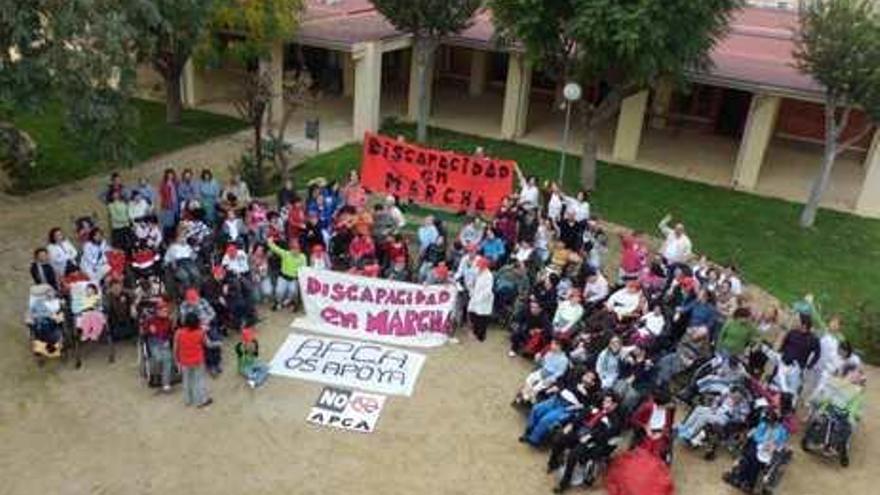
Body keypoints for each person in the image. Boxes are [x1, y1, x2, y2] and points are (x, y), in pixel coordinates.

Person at [547, 391, 623, 493]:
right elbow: (581, 416)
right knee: (559, 438)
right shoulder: (595, 408)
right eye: (605, 400)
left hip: (592, 441)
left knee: (573, 455)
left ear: (614, 405)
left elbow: (606, 435)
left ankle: (564, 483)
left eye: (608, 401)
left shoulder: (615, 420)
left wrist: (590, 436)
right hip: (580, 431)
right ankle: (553, 463)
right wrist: (571, 425)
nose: (604, 402)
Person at [521, 370, 601, 446]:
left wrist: (584, 395)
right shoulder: (575, 380)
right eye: (586, 375)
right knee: (536, 409)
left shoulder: (590, 395)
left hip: (567, 407)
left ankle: (533, 438)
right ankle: (529, 430)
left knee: (546, 419)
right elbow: (561, 382)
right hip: (556, 399)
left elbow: (585, 407)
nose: (586, 378)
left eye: (590, 378)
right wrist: (558, 388)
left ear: (593, 383)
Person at [723, 411, 790, 492]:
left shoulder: (782, 430)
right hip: (759, 445)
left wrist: (774, 446)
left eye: (771, 422)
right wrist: (765, 441)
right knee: (750, 456)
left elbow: (782, 443)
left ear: (776, 421)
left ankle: (749, 483)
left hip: (770, 451)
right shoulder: (763, 424)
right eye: (768, 422)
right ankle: (739, 478)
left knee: (757, 462)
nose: (769, 424)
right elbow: (756, 436)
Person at [174, 313, 217, 408]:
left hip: (184, 361)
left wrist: (176, 360)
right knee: (199, 380)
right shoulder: (200, 332)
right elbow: (208, 344)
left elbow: (175, 348)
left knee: (186, 380)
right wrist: (218, 343)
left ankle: (187, 400)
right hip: (198, 361)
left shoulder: (179, 333)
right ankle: (201, 400)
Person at [516, 339, 570, 405]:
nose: (551, 345)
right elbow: (543, 364)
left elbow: (559, 373)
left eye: (553, 344)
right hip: (542, 372)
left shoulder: (564, 360)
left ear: (559, 346)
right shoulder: (550, 353)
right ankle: (526, 396)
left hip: (550, 377)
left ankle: (526, 397)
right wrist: (539, 359)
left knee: (537, 387)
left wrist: (550, 379)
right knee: (529, 379)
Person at [267, 238, 307, 311]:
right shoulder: (285, 254)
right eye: (293, 248)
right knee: (279, 291)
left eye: (297, 248)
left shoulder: (303, 257)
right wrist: (270, 242)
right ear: (290, 249)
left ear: (300, 249)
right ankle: (278, 303)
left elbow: (304, 269)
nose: (295, 250)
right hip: (283, 277)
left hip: (294, 279)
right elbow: (275, 248)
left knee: (293, 291)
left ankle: (289, 302)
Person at [143, 299, 174, 392]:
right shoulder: (150, 320)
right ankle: (158, 375)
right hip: (154, 342)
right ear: (157, 311)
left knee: (167, 359)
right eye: (163, 310)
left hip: (165, 342)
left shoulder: (169, 320)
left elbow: (171, 333)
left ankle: (166, 383)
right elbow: (143, 332)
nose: (165, 311)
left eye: (166, 310)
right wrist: (149, 330)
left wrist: (168, 337)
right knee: (158, 358)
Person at [467, 256, 494, 342]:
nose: (478, 267)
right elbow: (472, 282)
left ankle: (481, 336)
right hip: (475, 296)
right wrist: (471, 291)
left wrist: (480, 298)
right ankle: (475, 333)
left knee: (482, 318)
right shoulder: (478, 273)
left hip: (484, 299)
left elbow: (487, 290)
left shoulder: (488, 276)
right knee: (472, 314)